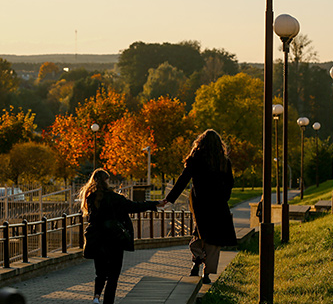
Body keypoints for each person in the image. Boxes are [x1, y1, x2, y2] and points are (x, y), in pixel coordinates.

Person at [80, 168, 165, 304]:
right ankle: (108, 302)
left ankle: (96, 297)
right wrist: (155, 204)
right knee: (113, 275)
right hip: (115, 240)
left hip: (97, 241)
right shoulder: (116, 198)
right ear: (107, 181)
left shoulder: (91, 198)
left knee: (100, 273)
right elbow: (134, 206)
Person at [164, 129, 237, 284]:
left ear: (201, 143)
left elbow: (183, 180)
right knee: (213, 239)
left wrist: (169, 199)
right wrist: (224, 198)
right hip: (218, 203)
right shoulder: (224, 161)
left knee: (200, 232)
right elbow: (230, 183)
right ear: (219, 144)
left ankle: (197, 260)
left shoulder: (195, 159)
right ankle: (206, 272)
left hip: (200, 203)